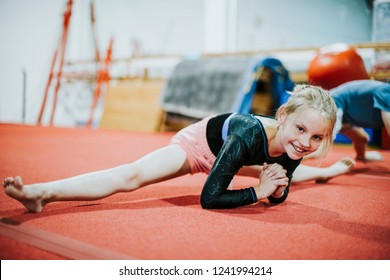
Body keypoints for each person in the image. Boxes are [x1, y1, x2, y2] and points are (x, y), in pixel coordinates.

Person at [3, 85, 337, 212]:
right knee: (131, 175)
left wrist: (275, 188)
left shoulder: (296, 145)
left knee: (301, 172)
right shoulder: (250, 134)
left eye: (317, 139)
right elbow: (210, 198)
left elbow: (282, 191)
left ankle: (330, 172)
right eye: (301, 130)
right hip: (199, 147)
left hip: (234, 157)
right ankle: (41, 193)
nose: (306, 142)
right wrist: (258, 191)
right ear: (283, 117)